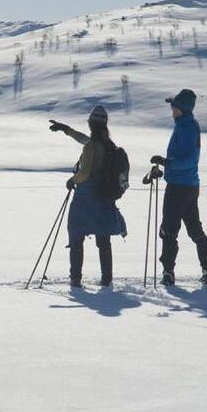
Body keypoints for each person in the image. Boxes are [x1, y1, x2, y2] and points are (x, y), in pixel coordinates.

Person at [50, 106, 127, 288]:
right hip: (104, 197)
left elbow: (84, 172)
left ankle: (75, 279)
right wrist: (66, 130)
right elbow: (84, 139)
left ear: (91, 123)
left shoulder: (92, 146)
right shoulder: (107, 143)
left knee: (76, 235)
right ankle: (107, 280)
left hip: (86, 198)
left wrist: (72, 180)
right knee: (103, 238)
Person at [150, 89, 207, 286]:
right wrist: (165, 165)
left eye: (174, 106)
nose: (172, 109)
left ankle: (168, 273)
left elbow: (189, 160)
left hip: (179, 187)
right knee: (194, 230)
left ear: (182, 109)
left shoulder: (187, 127)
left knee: (169, 230)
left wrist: (167, 163)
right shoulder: (185, 125)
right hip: (188, 185)